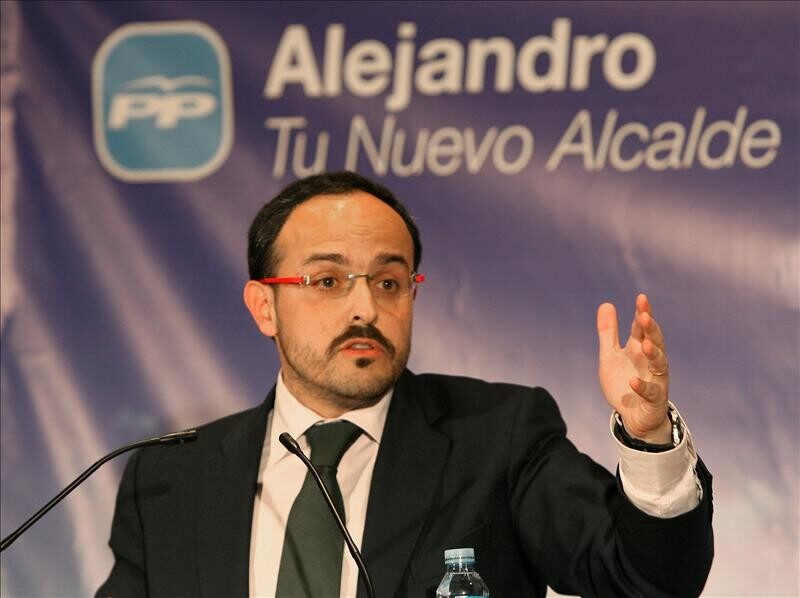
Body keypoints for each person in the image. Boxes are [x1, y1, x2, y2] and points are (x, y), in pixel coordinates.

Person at [97, 171, 713, 598]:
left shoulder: (497, 436)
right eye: (328, 282)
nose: (365, 308)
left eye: (389, 282)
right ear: (264, 307)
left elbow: (647, 581)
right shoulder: (171, 480)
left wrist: (649, 437)